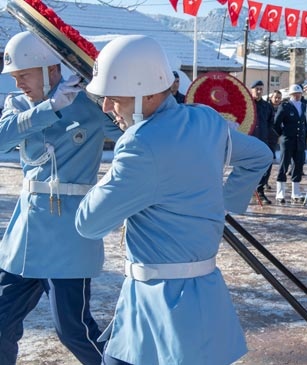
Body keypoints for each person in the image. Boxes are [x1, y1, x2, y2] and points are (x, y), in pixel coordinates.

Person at [75, 35, 272, 364]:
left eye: (114, 97)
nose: (107, 108)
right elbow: (259, 155)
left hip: (159, 308)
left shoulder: (139, 144)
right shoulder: (205, 120)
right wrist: (218, 206)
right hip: (199, 299)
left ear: (148, 93)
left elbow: (88, 223)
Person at [0, 31, 122, 364]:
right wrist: (48, 109)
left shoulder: (90, 103)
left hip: (68, 235)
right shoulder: (18, 106)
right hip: (24, 239)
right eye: (14, 77)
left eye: (23, 74)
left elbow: (132, 135)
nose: (18, 83)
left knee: (73, 330)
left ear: (48, 68)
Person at [274, 84, 307, 204]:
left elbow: (305, 124)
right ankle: (280, 193)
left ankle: (296, 193)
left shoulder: (304, 106)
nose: (297, 96)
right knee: (284, 165)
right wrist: (283, 135)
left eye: (298, 94)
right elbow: (276, 123)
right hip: (288, 140)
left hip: (299, 141)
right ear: (291, 95)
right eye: (295, 94)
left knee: (298, 165)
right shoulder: (285, 106)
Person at [249, 80, 275, 204]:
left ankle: (260, 190)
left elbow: (270, 123)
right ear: (251, 89)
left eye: (261, 89)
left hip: (263, 140)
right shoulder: (247, 105)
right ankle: (247, 190)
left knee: (265, 166)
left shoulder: (267, 106)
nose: (259, 91)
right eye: (256, 89)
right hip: (249, 140)